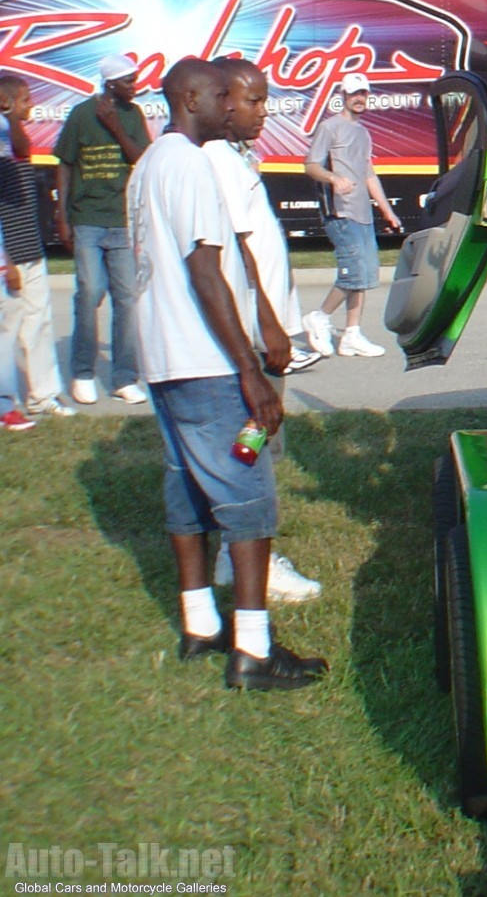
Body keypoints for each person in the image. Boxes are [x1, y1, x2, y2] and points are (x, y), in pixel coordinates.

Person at [128, 57, 327, 689]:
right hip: (206, 362)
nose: (231, 104)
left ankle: (199, 624)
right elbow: (205, 268)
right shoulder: (189, 163)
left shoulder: (149, 164)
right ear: (191, 99)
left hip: (166, 359)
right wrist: (249, 370)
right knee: (248, 496)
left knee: (187, 489)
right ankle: (253, 650)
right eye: (221, 94)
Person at [204, 59, 322, 604]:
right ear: (223, 102)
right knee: (252, 447)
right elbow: (238, 245)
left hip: (262, 332)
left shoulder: (234, 156)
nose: (263, 112)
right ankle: (248, 557)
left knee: (257, 444)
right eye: (253, 101)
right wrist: (270, 324)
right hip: (255, 335)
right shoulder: (217, 160)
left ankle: (233, 553)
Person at [53, 52, 151, 405]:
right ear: (110, 84)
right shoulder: (81, 114)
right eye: (128, 81)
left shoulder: (132, 115)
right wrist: (62, 215)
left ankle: (124, 378)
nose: (135, 86)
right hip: (87, 219)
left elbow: (141, 159)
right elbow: (65, 164)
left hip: (122, 221)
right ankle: (83, 372)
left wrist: (115, 127)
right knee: (90, 292)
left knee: (127, 299)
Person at [302, 73, 403, 357]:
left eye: (363, 93)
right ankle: (319, 317)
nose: (359, 98)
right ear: (343, 96)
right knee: (354, 273)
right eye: (354, 93)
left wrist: (387, 211)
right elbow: (310, 165)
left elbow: (369, 174)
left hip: (362, 213)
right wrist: (334, 178)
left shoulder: (363, 133)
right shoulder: (330, 127)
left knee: (366, 274)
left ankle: (351, 335)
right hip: (340, 211)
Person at [0, 74, 68, 425]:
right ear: (6, 103)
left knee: (39, 322)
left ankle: (43, 396)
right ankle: (5, 403)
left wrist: (12, 117)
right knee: (7, 332)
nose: (32, 105)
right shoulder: (5, 139)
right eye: (25, 100)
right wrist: (6, 261)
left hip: (30, 248)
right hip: (10, 253)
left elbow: (22, 149)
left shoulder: (15, 138)